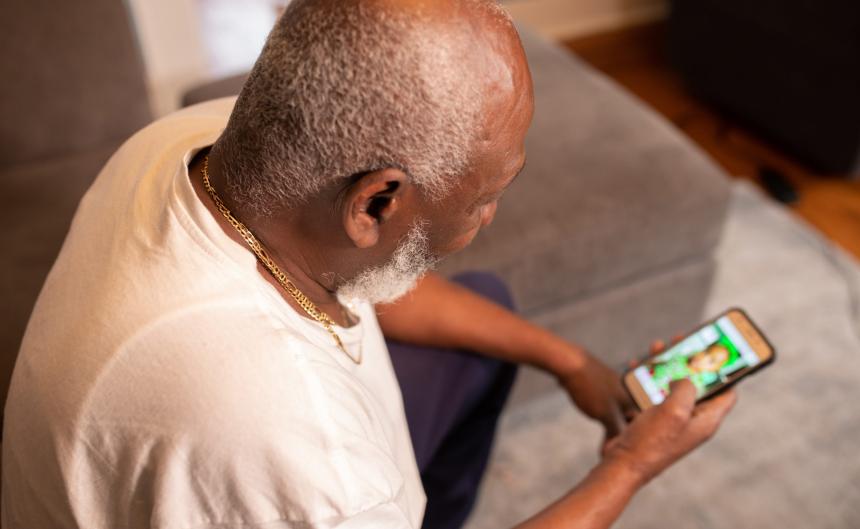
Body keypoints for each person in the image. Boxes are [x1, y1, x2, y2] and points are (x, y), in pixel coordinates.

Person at [1, 1, 737, 528]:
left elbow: (367, 287)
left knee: (490, 309)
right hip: (277, 455)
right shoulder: (301, 459)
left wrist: (569, 358)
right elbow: (303, 468)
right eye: (486, 197)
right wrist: (632, 464)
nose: (490, 218)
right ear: (376, 202)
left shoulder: (188, 143)